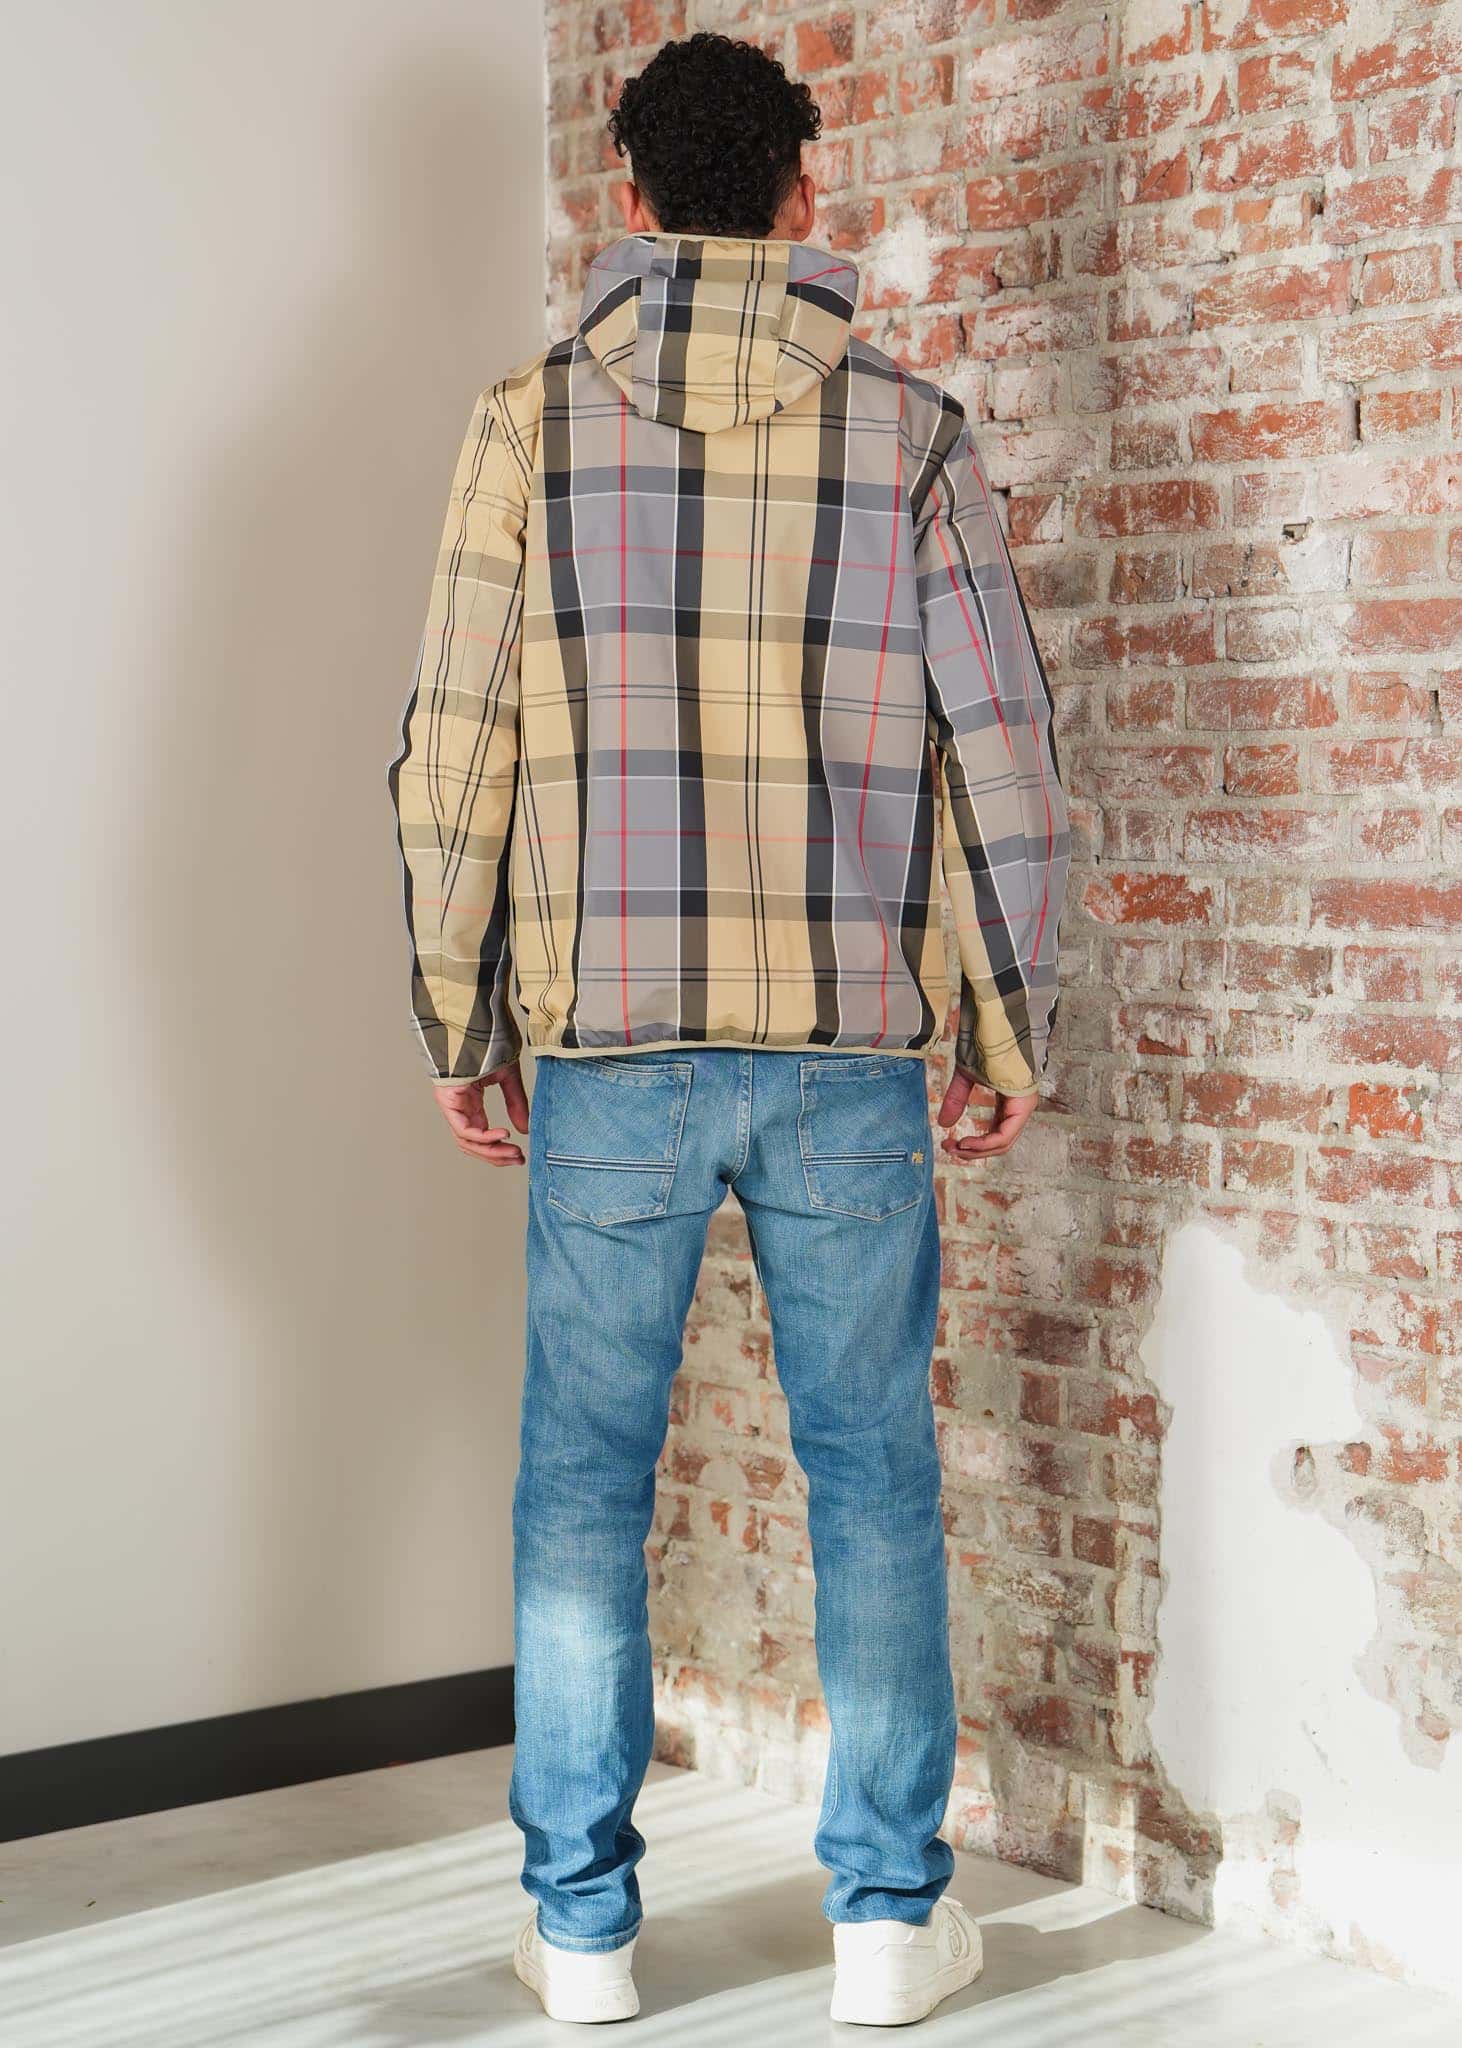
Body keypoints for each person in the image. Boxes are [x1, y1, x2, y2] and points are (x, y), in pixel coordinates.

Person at [388, 29, 1068, 2029]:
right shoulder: (911, 433)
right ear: (800, 194)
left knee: (581, 1495)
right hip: (846, 1049)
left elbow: (456, 755)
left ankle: (583, 1936)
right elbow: (1000, 754)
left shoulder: (525, 427)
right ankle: (885, 1926)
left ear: (624, 199)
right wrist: (1003, 1015)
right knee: (871, 1479)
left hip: (606, 1048)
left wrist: (457, 1012)